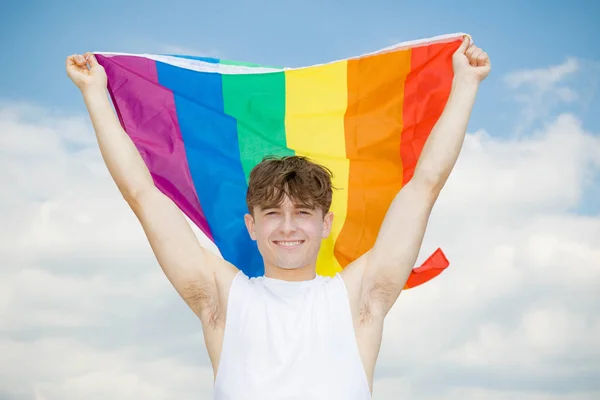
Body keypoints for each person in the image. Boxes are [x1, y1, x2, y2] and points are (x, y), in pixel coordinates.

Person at [66, 36, 490, 399]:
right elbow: (143, 196)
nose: (288, 227)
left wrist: (465, 85)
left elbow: (424, 186)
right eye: (272, 213)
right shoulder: (224, 301)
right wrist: (95, 95)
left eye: (303, 213)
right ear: (252, 225)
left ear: (326, 224)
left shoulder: (358, 300)